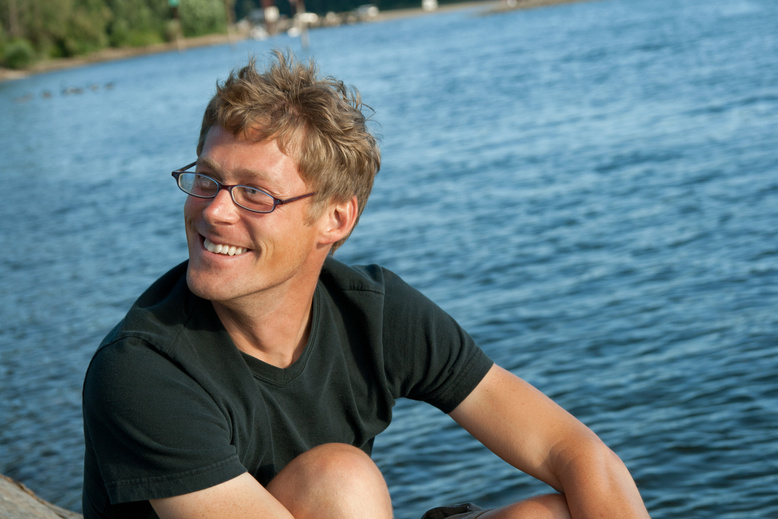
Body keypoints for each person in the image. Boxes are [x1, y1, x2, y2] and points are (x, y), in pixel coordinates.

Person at [82, 51, 650, 519]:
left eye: (255, 192)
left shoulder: (373, 314)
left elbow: (574, 451)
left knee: (549, 517)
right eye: (206, 179)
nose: (214, 212)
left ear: (336, 219)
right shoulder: (142, 370)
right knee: (342, 481)